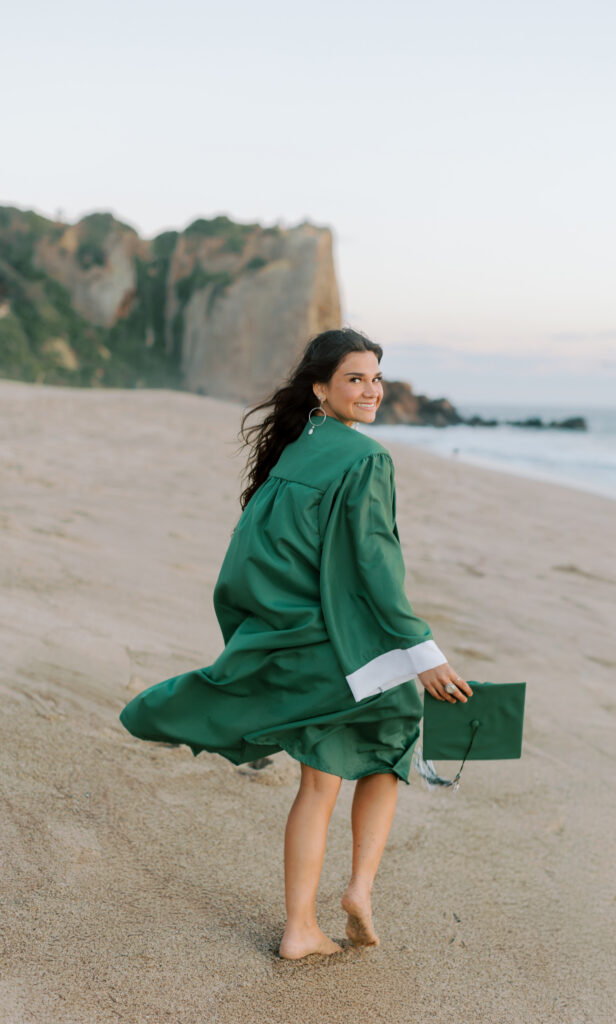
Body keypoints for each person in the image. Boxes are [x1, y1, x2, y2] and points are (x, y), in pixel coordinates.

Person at [119, 327, 472, 960]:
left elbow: (246, 562)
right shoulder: (367, 459)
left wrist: (268, 628)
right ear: (320, 388)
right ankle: (359, 889)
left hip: (296, 638)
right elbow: (376, 567)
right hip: (345, 648)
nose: (371, 391)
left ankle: (299, 929)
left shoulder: (295, 452)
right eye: (355, 379)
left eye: (376, 379)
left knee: (318, 784)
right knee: (391, 745)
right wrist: (426, 656)